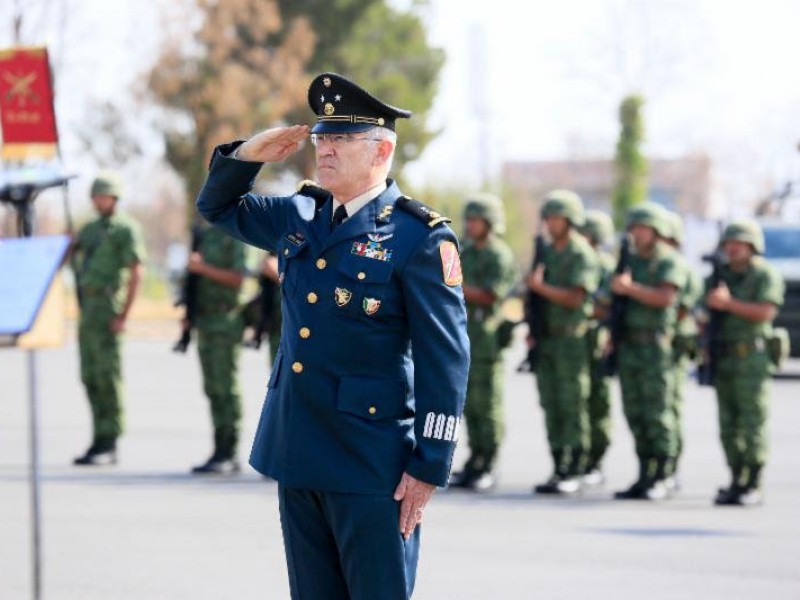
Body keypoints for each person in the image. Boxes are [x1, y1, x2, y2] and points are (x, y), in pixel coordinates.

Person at [196, 72, 470, 599]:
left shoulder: (419, 238)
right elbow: (218, 207)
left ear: (381, 150)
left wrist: (430, 464)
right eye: (322, 138)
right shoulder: (301, 214)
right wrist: (251, 154)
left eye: (342, 140)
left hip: (372, 463)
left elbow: (447, 360)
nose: (325, 150)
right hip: (297, 449)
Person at [705, 220, 784, 506]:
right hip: (724, 357)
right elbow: (705, 311)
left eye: (738, 243)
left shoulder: (763, 275)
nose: (732, 248)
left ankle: (753, 481)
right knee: (728, 423)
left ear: (752, 246)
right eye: (728, 243)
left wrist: (728, 304)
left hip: (751, 358)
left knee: (752, 422)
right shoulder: (720, 275)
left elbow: (765, 311)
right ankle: (736, 478)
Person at [610, 202, 684, 501]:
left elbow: (666, 298)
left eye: (643, 228)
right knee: (635, 412)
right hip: (630, 346)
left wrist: (630, 289)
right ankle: (644, 473)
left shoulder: (667, 261)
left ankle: (663, 474)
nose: (637, 234)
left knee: (658, 413)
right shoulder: (629, 261)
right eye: (634, 228)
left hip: (655, 347)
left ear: (656, 231)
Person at [526, 190, 598, 495]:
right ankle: (559, 465)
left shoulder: (580, 253)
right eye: (549, 218)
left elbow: (576, 297)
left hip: (571, 340)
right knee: (551, 405)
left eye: (557, 218)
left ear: (570, 220)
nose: (551, 223)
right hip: (548, 339)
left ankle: (576, 467)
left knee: (571, 405)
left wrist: (541, 288)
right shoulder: (548, 251)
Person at [71, 172, 145, 466]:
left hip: (108, 309)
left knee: (108, 378)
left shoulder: (125, 229)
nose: (98, 201)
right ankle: (97, 438)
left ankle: (110, 440)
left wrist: (123, 316)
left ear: (115, 198)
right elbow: (71, 254)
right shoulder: (89, 229)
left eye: (103, 196)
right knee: (89, 376)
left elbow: (136, 274)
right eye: (95, 196)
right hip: (87, 312)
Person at [449, 193, 518, 492]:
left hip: (486, 337)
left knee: (487, 404)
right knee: (468, 404)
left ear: (490, 223)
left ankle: (489, 462)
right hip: (464, 334)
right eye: (469, 219)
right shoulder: (465, 250)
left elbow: (492, 294)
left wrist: (455, 285)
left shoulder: (497, 254)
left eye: (476, 220)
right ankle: (475, 459)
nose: (471, 225)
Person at [187, 222, 248, 475]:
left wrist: (203, 268)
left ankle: (229, 450)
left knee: (226, 386)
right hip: (205, 320)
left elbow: (238, 277)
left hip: (226, 320)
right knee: (212, 387)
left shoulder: (237, 234)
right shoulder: (205, 235)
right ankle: (218, 448)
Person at [660, 210, 702, 492]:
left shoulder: (677, 267)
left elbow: (681, 309)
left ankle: (669, 469)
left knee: (667, 408)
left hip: (669, 348)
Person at [578, 209, 616, 485]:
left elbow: (609, 304)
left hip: (597, 338)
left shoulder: (605, 265)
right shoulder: (576, 259)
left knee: (597, 402)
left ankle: (595, 459)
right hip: (578, 340)